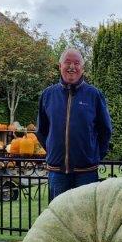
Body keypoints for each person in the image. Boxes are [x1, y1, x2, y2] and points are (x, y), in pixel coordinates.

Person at [36, 47, 112, 200]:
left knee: (85, 219)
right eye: (67, 62)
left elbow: (105, 130)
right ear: (60, 66)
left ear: (82, 68)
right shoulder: (48, 95)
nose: (72, 67)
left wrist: (93, 155)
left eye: (76, 63)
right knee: (58, 218)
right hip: (57, 172)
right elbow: (42, 130)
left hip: (86, 173)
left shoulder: (94, 95)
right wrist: (54, 150)